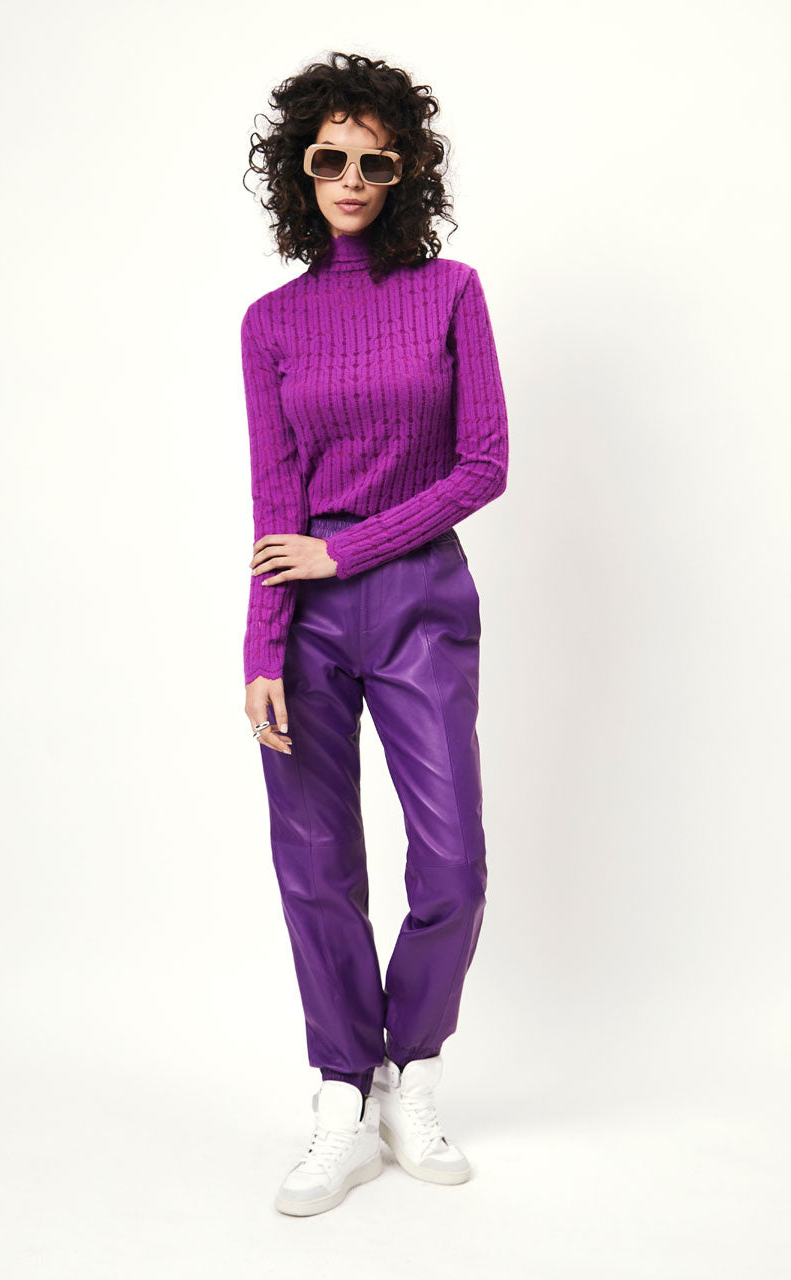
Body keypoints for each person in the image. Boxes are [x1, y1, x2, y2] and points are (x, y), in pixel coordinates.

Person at [240, 52, 509, 1217]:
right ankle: (343, 1094)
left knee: (451, 863)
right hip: (304, 614)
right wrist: (261, 647)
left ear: (407, 172)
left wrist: (351, 552)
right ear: (301, 171)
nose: (352, 177)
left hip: (420, 598)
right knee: (314, 864)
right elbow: (274, 498)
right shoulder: (271, 322)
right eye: (330, 158)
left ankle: (413, 1072)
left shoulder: (450, 292)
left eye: (376, 160)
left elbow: (483, 465)